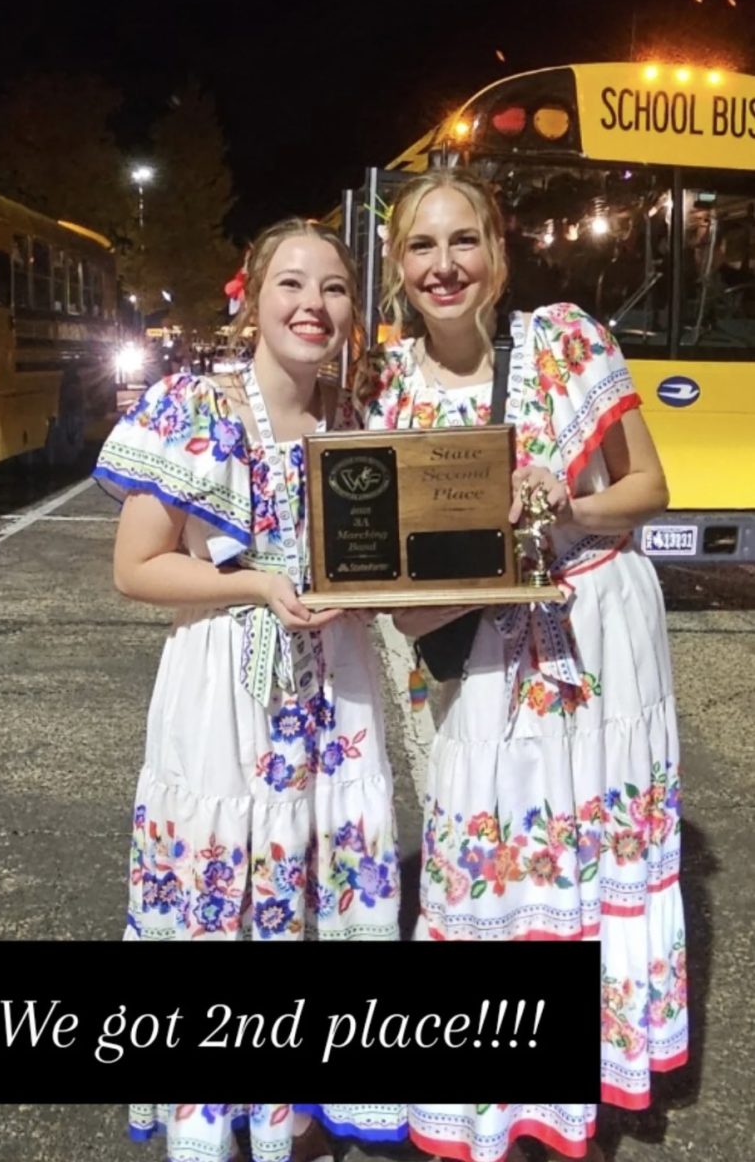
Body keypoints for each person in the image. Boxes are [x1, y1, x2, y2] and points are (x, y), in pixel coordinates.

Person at [355, 170, 686, 1162]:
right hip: (475, 650)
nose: (444, 266)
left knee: (590, 848)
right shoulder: (385, 389)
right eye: (421, 248)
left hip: (595, 625)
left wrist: (565, 505)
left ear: (497, 253)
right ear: (399, 271)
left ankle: (579, 1091)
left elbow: (650, 486)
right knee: (482, 847)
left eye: (463, 242)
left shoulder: (567, 340)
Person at [93, 217, 401, 1162]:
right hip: (226, 682)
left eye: (336, 288)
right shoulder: (196, 408)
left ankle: (289, 1118)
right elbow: (136, 569)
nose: (314, 306)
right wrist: (256, 584)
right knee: (225, 893)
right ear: (253, 299)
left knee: (308, 878)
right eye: (292, 286)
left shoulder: (351, 419)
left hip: (332, 686)